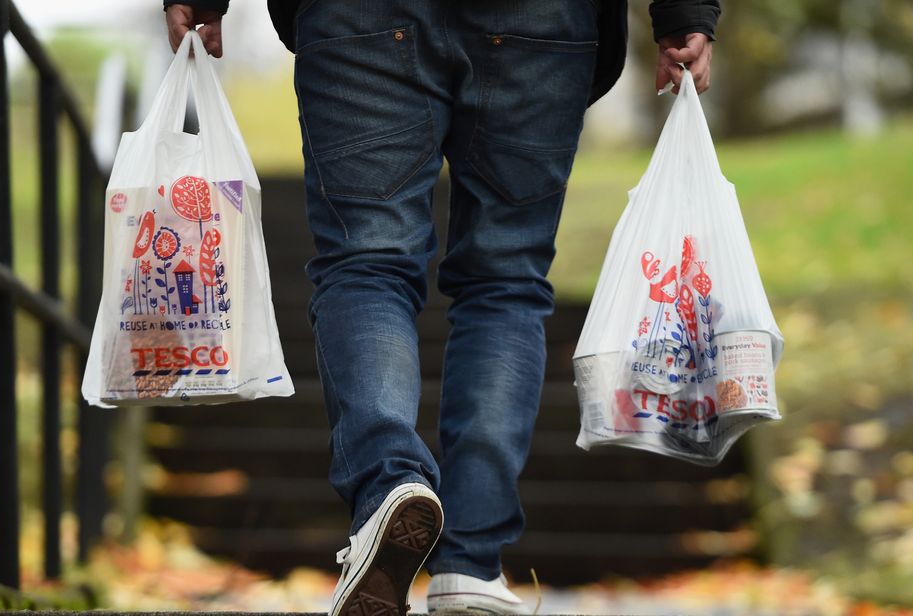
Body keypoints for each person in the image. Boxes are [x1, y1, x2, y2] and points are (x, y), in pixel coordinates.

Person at [163, 1, 719, 615]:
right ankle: (473, 561)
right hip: (542, 19)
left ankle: (388, 484)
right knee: (504, 279)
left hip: (361, 17)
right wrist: (684, 14)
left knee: (366, 261)